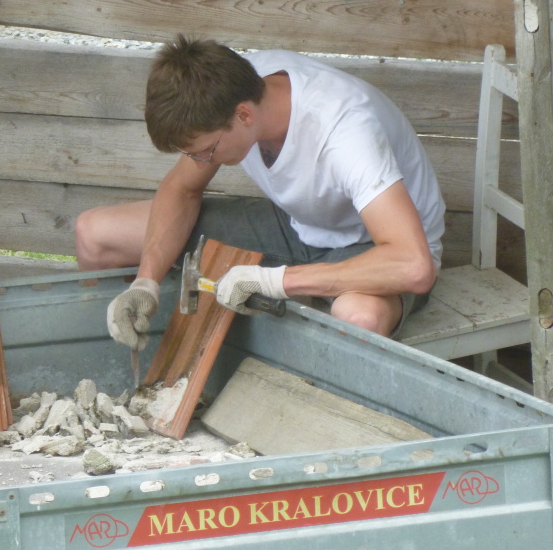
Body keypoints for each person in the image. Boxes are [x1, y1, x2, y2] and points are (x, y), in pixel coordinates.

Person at [74, 35, 445, 350]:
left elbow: (413, 266)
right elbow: (181, 189)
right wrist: (147, 282)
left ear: (244, 116)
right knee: (95, 234)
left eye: (206, 151)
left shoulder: (345, 133)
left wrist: (275, 281)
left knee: (358, 317)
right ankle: (123, 375)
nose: (201, 161)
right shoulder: (229, 85)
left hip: (376, 246)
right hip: (298, 226)